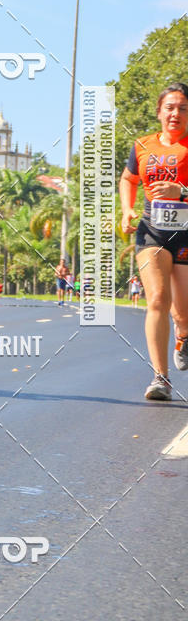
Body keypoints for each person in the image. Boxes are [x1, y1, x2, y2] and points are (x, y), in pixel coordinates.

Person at [120, 82, 188, 400]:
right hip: (152, 231)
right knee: (158, 298)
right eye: (170, 107)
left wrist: (182, 192)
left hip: (186, 233)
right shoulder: (142, 145)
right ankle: (161, 378)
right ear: (159, 111)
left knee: (183, 312)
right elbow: (127, 179)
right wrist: (125, 211)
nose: (175, 113)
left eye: (183, 108)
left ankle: (183, 334)